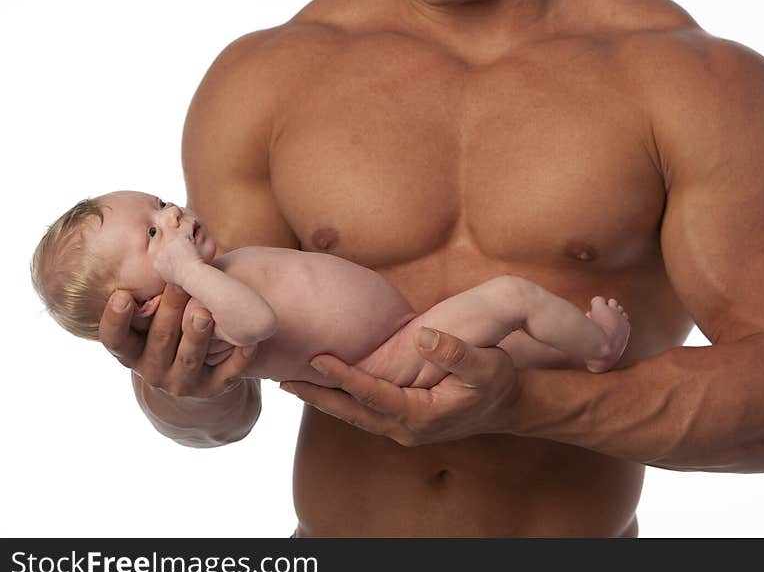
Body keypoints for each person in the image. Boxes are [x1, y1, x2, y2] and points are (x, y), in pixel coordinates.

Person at [97, 0, 764, 537]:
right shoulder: (264, 80)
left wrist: (526, 401)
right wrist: (180, 387)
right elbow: (224, 408)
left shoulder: (695, 83)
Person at [32, 190, 630, 386]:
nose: (178, 215)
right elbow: (257, 326)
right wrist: (188, 272)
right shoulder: (205, 314)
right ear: (139, 305)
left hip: (398, 332)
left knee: (510, 346)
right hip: (383, 363)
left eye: (163, 203)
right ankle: (598, 343)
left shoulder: (214, 277)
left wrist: (187, 264)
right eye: (154, 233)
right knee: (509, 298)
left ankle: (576, 356)